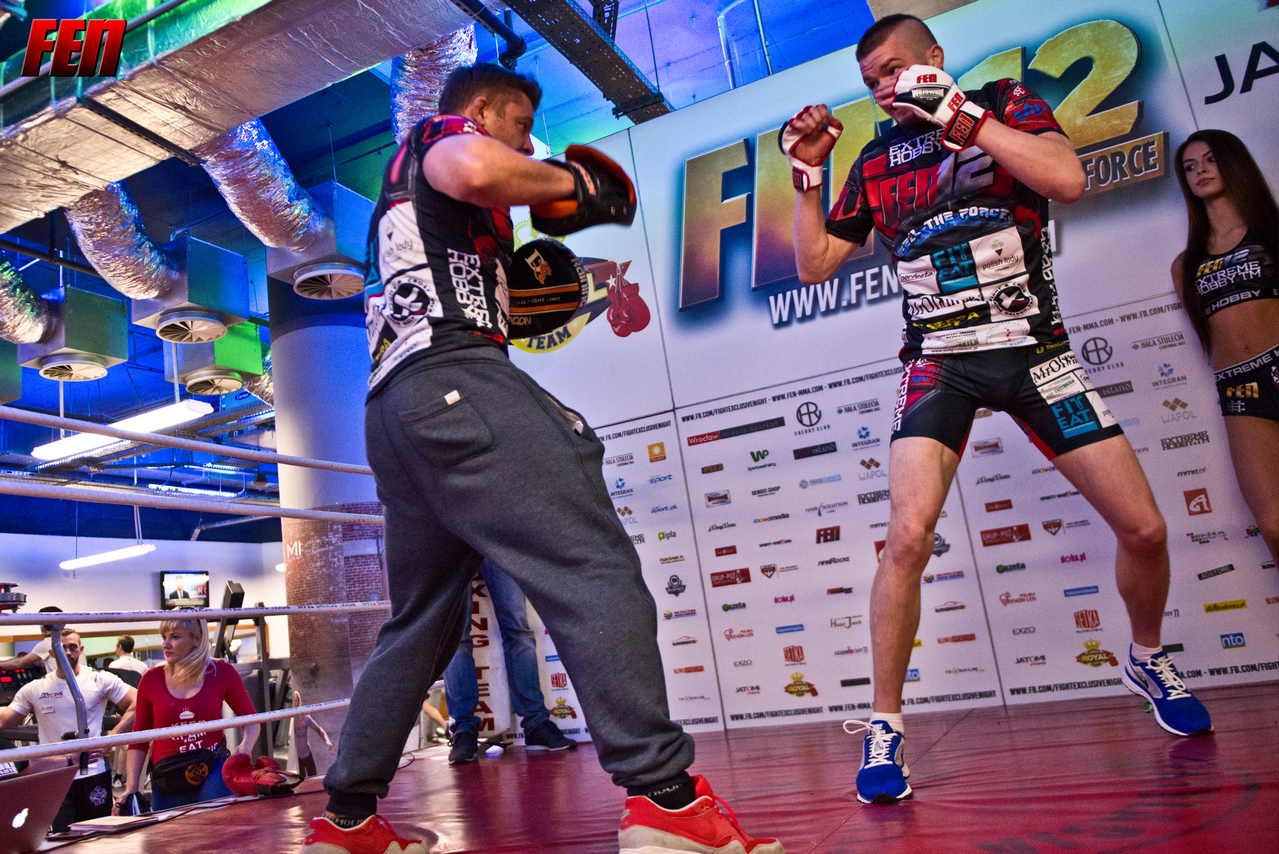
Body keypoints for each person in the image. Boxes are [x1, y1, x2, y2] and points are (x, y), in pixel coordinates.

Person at [302, 62, 780, 854]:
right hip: (456, 382)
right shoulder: (442, 135)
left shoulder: (426, 215)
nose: (528, 144)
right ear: (482, 110)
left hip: (396, 414)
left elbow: (481, 273)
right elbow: (474, 166)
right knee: (591, 564)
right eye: (521, 125)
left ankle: (347, 822)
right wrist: (570, 182)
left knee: (420, 622)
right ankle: (665, 802)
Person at [783, 13, 1212, 805]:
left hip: (1034, 352)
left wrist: (959, 117)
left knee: (1145, 529)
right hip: (938, 362)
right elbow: (813, 264)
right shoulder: (874, 158)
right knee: (905, 536)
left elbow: (1066, 180)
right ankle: (884, 726)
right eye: (870, 80)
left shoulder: (1002, 100)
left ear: (934, 58)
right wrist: (807, 174)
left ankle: (1146, 656)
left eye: (892, 69)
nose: (882, 88)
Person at [1172, 130, 1279, 567]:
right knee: (1273, 523)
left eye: (1210, 159)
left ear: (1233, 163)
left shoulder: (1271, 231)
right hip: (1240, 387)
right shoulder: (1185, 265)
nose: (1200, 171)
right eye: (1190, 167)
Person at [117, 617, 259, 812]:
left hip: (212, 765)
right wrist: (131, 788)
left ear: (197, 639)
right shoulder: (151, 679)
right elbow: (139, 737)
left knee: (218, 824)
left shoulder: (222, 671)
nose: (166, 644)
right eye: (164, 637)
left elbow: (251, 719)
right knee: (173, 831)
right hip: (168, 773)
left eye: (175, 637)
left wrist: (245, 747)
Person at [0, 629, 136, 832]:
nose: (68, 652)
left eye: (73, 647)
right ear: (51, 653)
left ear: (81, 649)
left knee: (100, 836)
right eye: (61, 647)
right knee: (63, 837)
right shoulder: (35, 688)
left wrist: (110, 739)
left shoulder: (99, 679)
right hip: (56, 777)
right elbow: (3, 720)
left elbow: (138, 702)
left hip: (93, 772)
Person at [442, 558, 576, 764]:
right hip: (452, 542)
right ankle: (463, 730)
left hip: (496, 539)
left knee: (517, 627)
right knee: (455, 634)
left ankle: (536, 724)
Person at [0, 607, 64, 673]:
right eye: (41, 622)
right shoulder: (63, 640)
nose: (43, 626)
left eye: (47, 623)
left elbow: (18, 663)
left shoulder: (49, 643)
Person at [289, 690, 331, 779]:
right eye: (294, 701)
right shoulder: (291, 716)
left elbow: (319, 730)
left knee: (313, 779)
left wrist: (327, 741)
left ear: (300, 702)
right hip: (299, 757)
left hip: (307, 754)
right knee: (301, 781)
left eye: (297, 701)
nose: (295, 703)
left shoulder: (306, 718)